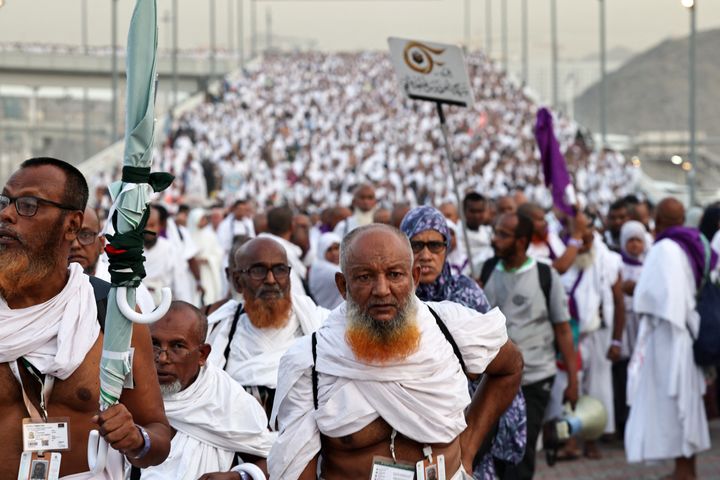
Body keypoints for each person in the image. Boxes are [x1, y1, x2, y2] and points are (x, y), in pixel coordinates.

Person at [269, 224, 523, 480]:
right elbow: (297, 468)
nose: (381, 289)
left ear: (414, 278)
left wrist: (468, 449)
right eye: (365, 277)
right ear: (342, 285)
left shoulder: (451, 329)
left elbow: (510, 367)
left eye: (394, 275)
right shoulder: (312, 360)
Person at [0, 157, 170, 479]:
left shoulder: (112, 313)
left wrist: (138, 439)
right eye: (5, 201)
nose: (7, 214)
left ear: (73, 226)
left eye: (29, 205)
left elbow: (158, 436)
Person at [400, 206, 525, 480]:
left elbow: (499, 359)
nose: (426, 255)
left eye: (435, 245)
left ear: (447, 248)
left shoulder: (464, 292)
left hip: (466, 421)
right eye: (416, 245)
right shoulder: (395, 297)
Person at [480, 212, 578, 479]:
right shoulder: (486, 271)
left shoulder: (546, 275)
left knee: (521, 455)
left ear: (521, 241)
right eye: (495, 232)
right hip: (492, 380)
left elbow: (563, 330)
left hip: (534, 378)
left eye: (503, 234)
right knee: (491, 451)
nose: (495, 239)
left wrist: (573, 379)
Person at [625, 197, 715, 479]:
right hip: (682, 336)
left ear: (658, 220)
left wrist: (634, 289)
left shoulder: (665, 248)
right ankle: (683, 468)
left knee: (675, 408)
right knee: (682, 407)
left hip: (669, 339)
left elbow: (656, 298)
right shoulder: (693, 241)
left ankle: (685, 472)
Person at [140, 301, 274, 479]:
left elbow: (273, 460)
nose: (163, 358)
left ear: (202, 354)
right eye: (154, 344)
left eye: (177, 346)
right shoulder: (127, 392)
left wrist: (239, 476)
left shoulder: (227, 400)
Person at [207, 237, 329, 417]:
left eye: (279, 270)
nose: (271, 280)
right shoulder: (219, 330)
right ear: (238, 280)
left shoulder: (321, 324)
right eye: (259, 271)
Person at [557, 220, 624, 458]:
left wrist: (616, 340)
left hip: (596, 336)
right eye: (579, 242)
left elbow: (618, 302)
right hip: (568, 337)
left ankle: (592, 440)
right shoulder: (562, 264)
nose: (584, 247)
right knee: (569, 387)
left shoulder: (608, 263)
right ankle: (570, 441)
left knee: (596, 389)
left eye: (588, 241)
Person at [68, 206, 155, 314]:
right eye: (69, 235)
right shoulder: (49, 292)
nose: (75, 245)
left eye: (85, 235)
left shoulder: (130, 290)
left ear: (101, 243)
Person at [613, 220, 648, 438]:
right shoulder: (618, 266)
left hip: (642, 326)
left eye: (638, 240)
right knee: (623, 374)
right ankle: (623, 421)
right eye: (631, 241)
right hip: (624, 326)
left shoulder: (649, 265)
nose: (635, 246)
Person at [518, 202, 586, 274]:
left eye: (544, 219)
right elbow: (558, 268)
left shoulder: (550, 236)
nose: (545, 223)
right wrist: (577, 234)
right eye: (540, 220)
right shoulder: (525, 249)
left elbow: (565, 255)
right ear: (527, 223)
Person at [258, 206, 308, 297]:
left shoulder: (256, 246)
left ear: (266, 225)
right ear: (292, 226)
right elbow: (299, 301)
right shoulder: (282, 258)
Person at [308, 233, 343, 309]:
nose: (334, 253)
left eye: (336, 248)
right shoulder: (320, 268)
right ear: (321, 251)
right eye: (329, 250)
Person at [462, 192, 494, 268]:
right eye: (472, 211)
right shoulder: (455, 234)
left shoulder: (489, 233)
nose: (476, 216)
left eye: (480, 211)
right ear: (464, 211)